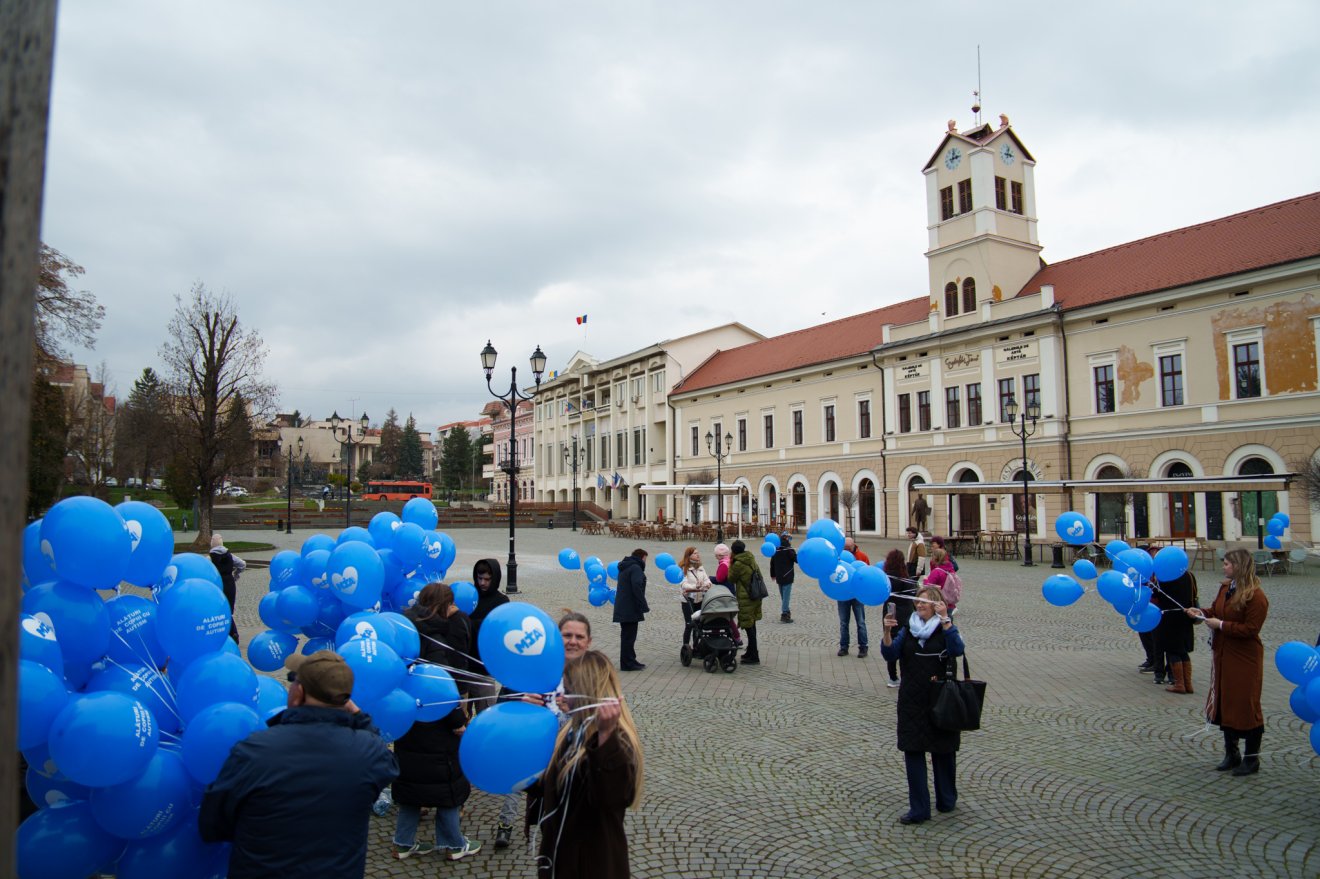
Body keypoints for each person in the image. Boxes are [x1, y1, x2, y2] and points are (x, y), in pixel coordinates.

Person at [199, 651, 399, 878]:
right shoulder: (368, 752)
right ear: (345, 700)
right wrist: (358, 714)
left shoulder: (255, 750)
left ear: (299, 692)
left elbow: (213, 824)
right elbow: (388, 762)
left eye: (293, 680)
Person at [530, 650, 644, 879]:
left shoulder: (619, 742)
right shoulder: (570, 733)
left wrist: (605, 738)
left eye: (568, 690)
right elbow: (548, 785)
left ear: (585, 692)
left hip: (592, 865)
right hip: (560, 859)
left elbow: (611, 798)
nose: (562, 697)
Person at [392, 582, 481, 860]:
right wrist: (458, 721)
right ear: (441, 605)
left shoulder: (405, 630)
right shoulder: (433, 639)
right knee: (447, 784)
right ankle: (454, 844)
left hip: (408, 720)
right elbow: (441, 689)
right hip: (436, 724)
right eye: (449, 604)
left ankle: (404, 842)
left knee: (411, 783)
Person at [496, 611, 594, 849]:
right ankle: (506, 823)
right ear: (556, 638)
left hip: (575, 760)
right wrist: (520, 701)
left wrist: (578, 710)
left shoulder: (595, 674)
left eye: (579, 637)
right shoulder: (537, 665)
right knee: (518, 779)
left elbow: (605, 721)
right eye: (566, 635)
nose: (572, 641)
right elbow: (501, 705)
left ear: (588, 641)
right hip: (535, 746)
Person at [880, 586, 964, 825]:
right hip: (912, 700)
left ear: (936, 605)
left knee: (943, 750)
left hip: (941, 698)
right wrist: (887, 631)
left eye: (924, 603)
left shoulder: (944, 628)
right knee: (913, 750)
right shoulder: (908, 629)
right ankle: (919, 808)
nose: (919, 606)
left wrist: (946, 621)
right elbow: (890, 654)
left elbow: (957, 649)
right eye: (917, 602)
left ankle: (946, 798)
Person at [1186, 548, 1269, 775]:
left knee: (1246, 704)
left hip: (1244, 658)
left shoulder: (1256, 596)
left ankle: (1252, 759)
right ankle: (1231, 754)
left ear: (1239, 566)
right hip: (1223, 654)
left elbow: (1251, 629)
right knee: (1225, 702)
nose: (1223, 567)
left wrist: (1220, 625)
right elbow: (1215, 611)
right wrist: (1199, 613)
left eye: (1227, 564)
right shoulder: (1225, 588)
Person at [1150, 547, 1198, 695]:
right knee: (1183, 650)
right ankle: (1187, 684)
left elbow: (1157, 595)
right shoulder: (1189, 575)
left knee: (1172, 650)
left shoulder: (1165, 578)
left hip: (1169, 618)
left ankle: (1179, 684)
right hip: (1186, 615)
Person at [469, 558, 509, 705]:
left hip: (484, 669)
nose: (483, 583)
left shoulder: (501, 601)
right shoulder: (469, 596)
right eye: (480, 578)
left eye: (487, 579)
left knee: (486, 711)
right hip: (463, 665)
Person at [881, 550, 915, 687]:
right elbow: (912, 594)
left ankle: (892, 677)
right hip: (905, 613)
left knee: (890, 640)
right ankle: (904, 675)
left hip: (890, 611)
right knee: (904, 643)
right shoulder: (904, 576)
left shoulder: (885, 577)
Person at [728, 540, 764, 665]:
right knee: (752, 624)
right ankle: (751, 651)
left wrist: (730, 563)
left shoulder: (737, 563)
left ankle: (754, 656)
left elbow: (731, 578)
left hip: (746, 597)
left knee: (749, 627)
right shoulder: (750, 558)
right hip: (755, 595)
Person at [614, 549, 650, 671]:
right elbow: (636, 585)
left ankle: (630, 660)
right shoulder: (636, 568)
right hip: (630, 607)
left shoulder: (626, 566)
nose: (646, 561)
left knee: (626, 636)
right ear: (642, 557)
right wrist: (643, 605)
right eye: (645, 559)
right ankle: (628, 664)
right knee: (629, 637)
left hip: (623, 606)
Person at [209, 533, 246, 645]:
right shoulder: (230, 555)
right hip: (230, 584)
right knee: (229, 610)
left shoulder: (210, 558)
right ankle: (233, 632)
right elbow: (243, 564)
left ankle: (225, 632)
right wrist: (236, 574)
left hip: (217, 586)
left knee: (217, 609)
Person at [838, 538, 870, 658]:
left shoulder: (862, 556)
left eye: (848, 549)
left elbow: (868, 573)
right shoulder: (839, 556)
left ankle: (863, 647)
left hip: (857, 594)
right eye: (844, 549)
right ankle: (843, 647)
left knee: (860, 622)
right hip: (842, 594)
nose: (846, 551)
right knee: (843, 622)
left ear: (853, 546)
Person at [677, 546, 712, 648]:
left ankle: (696, 647)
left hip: (700, 599)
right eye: (695, 553)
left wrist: (707, 584)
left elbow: (707, 579)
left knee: (698, 625)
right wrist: (695, 586)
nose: (698, 555)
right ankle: (686, 647)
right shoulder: (683, 568)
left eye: (698, 553)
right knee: (689, 624)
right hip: (688, 600)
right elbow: (683, 584)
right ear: (689, 555)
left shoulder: (700, 567)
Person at [769, 533, 797, 623]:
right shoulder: (789, 549)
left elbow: (772, 563)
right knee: (786, 597)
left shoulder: (775, 549)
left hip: (779, 575)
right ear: (787, 539)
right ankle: (785, 614)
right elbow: (796, 559)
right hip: (787, 575)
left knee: (783, 596)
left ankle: (787, 612)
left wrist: (773, 574)